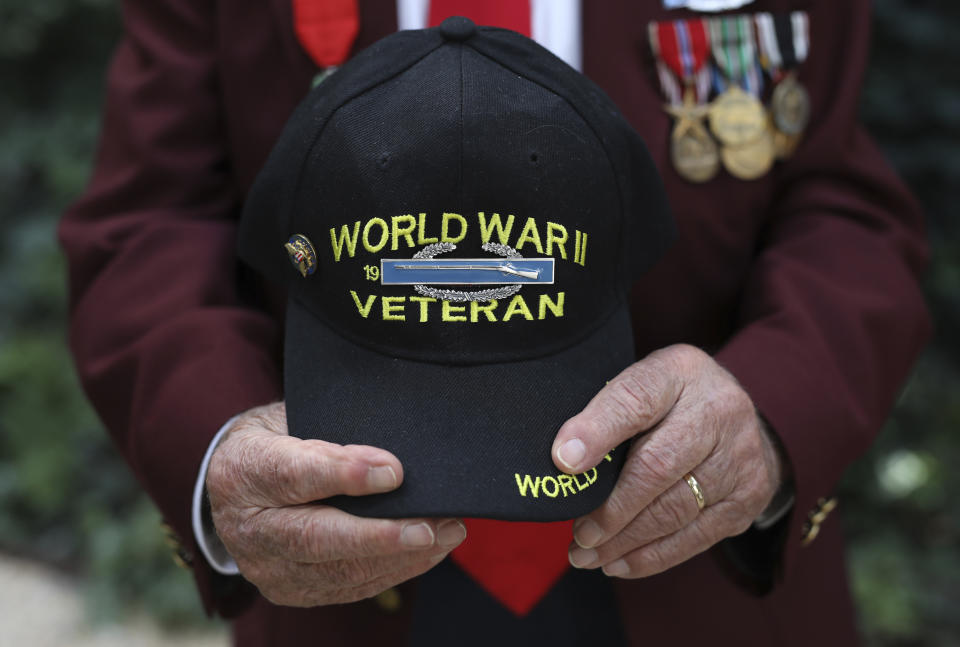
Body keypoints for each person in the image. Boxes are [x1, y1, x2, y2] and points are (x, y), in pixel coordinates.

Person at [59, 1, 929, 645]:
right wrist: (214, 440)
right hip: (341, 564)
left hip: (701, 557)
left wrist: (774, 407)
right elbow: (150, 220)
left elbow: (839, 195)